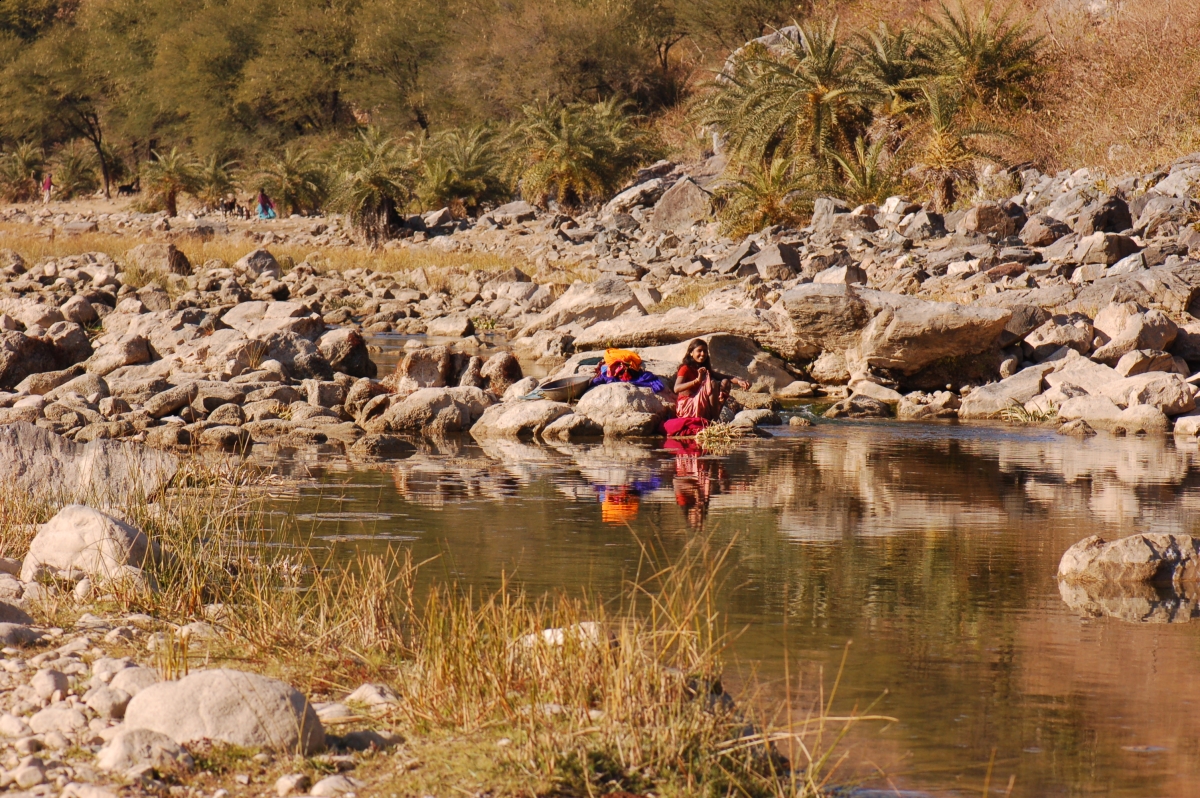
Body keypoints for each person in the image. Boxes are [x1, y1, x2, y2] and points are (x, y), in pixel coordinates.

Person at [673, 339, 749, 422]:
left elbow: (726, 377)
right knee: (712, 383)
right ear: (691, 353)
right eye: (699, 351)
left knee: (725, 382)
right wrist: (697, 381)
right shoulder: (685, 368)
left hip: (700, 406)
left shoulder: (704, 370)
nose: (703, 354)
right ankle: (715, 420)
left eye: (705, 351)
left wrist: (739, 381)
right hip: (688, 407)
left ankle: (712, 418)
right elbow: (676, 388)